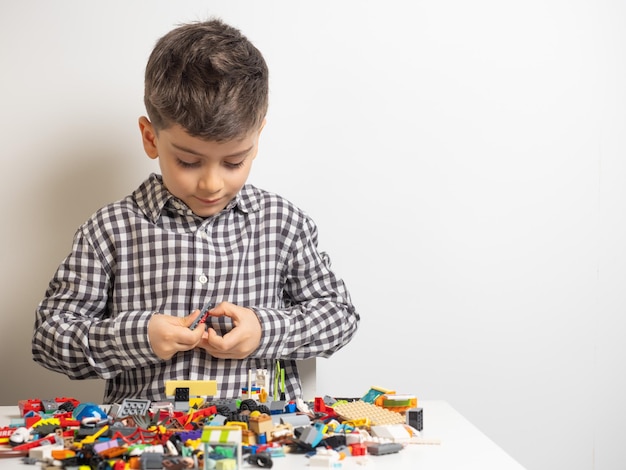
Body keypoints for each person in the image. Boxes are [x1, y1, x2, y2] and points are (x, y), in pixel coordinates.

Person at [32, 18, 360, 404]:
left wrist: (264, 329)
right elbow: (49, 338)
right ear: (151, 138)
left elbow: (340, 317)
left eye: (234, 162)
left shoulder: (283, 223)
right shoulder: (109, 230)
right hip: (145, 442)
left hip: (261, 442)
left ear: (257, 141)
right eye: (188, 162)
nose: (211, 184)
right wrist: (138, 337)